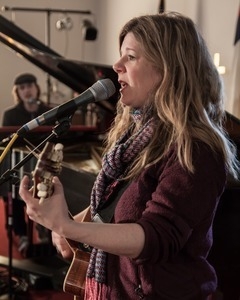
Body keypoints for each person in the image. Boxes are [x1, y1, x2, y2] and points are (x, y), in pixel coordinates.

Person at [19, 12, 239, 300]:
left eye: (131, 57)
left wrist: (66, 225)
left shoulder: (196, 148)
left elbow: (155, 238)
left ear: (168, 67)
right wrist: (71, 227)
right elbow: (118, 208)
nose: (116, 66)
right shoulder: (135, 138)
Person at [1, 73, 51, 255]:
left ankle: (45, 229)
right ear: (18, 92)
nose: (27, 90)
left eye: (29, 85)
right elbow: (8, 142)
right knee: (14, 195)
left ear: (36, 88)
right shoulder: (10, 114)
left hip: (43, 162)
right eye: (22, 88)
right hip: (19, 162)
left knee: (48, 193)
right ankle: (21, 233)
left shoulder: (48, 111)